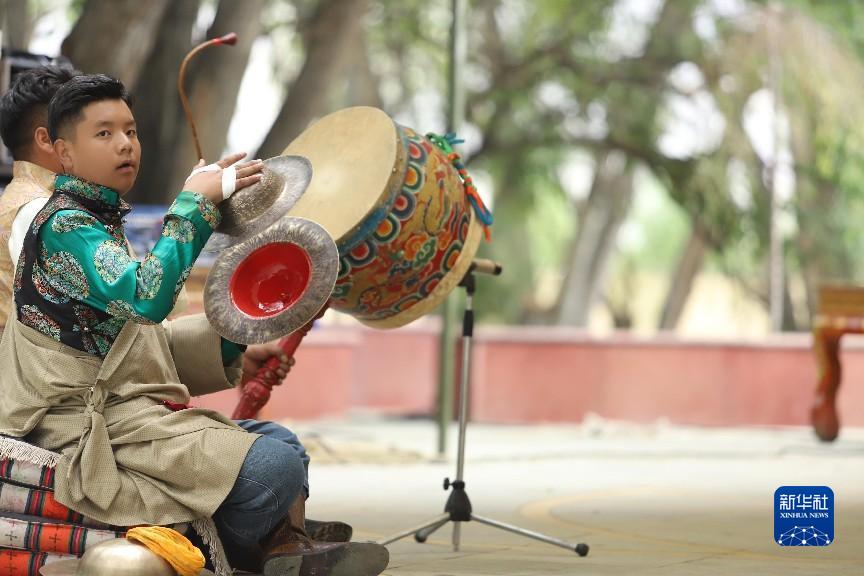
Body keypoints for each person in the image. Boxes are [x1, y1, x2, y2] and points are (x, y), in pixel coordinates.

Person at [0, 73, 388, 576]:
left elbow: (124, 343)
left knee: (282, 444)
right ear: (62, 152)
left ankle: (280, 545)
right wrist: (194, 205)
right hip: (80, 429)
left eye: (130, 131)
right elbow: (145, 300)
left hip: (126, 413)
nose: (125, 144)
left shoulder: (93, 218)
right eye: (104, 133)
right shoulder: (60, 223)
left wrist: (230, 345)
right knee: (275, 468)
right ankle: (262, 543)